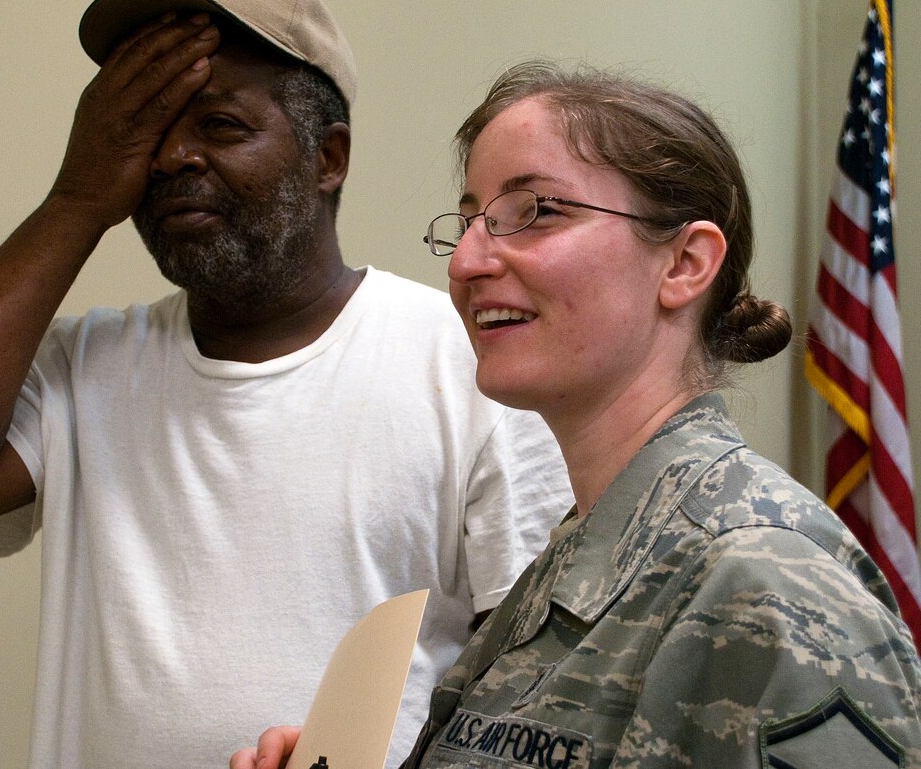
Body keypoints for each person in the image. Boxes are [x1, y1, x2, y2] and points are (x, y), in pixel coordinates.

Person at [0, 0, 573, 767]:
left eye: (220, 125)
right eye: (146, 132)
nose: (171, 158)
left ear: (328, 158)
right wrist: (76, 200)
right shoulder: (84, 370)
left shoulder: (467, 365)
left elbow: (540, 699)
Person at [232, 61, 921, 769]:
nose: (467, 260)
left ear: (684, 263)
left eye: (536, 211)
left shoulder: (766, 579)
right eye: (469, 221)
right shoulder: (563, 568)